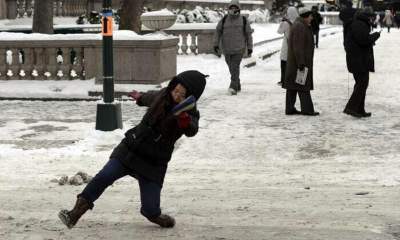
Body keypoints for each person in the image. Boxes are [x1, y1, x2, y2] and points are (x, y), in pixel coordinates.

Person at [58, 70, 208, 229]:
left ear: (191, 97)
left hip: (153, 162)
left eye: (182, 95)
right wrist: (140, 98)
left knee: (150, 208)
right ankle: (74, 214)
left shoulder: (190, 112)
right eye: (175, 90)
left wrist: (183, 119)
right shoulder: (163, 95)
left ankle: (154, 215)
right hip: (132, 148)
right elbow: (150, 97)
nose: (176, 95)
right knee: (104, 176)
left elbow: (192, 129)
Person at [282, 7, 319, 116]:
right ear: (305, 16)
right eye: (310, 16)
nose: (312, 18)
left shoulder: (301, 25)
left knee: (292, 86)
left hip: (296, 63)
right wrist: (301, 63)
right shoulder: (300, 27)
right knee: (302, 86)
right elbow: (298, 47)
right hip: (298, 63)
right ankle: (307, 109)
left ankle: (289, 108)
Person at [344, 9, 380, 118]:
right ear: (366, 17)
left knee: (361, 84)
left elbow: (360, 40)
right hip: (358, 60)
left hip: (359, 59)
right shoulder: (359, 24)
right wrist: (375, 36)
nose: (372, 19)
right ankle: (351, 108)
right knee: (362, 84)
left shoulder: (359, 23)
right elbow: (363, 40)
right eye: (370, 17)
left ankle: (359, 109)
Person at [213, 0, 253, 95]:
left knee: (235, 67)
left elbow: (248, 35)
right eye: (231, 8)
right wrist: (215, 44)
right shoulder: (224, 20)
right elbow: (218, 32)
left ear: (238, 8)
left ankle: (233, 87)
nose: (233, 10)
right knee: (231, 68)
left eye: (235, 8)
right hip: (226, 49)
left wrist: (250, 47)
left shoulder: (243, 20)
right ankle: (237, 84)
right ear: (229, 9)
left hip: (239, 49)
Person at [277, 6, 299, 85]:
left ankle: (284, 80)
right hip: (296, 45)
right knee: (293, 65)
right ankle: (293, 79)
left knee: (284, 64)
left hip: (287, 45)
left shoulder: (286, 23)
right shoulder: (298, 22)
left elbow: (279, 31)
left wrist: (282, 22)